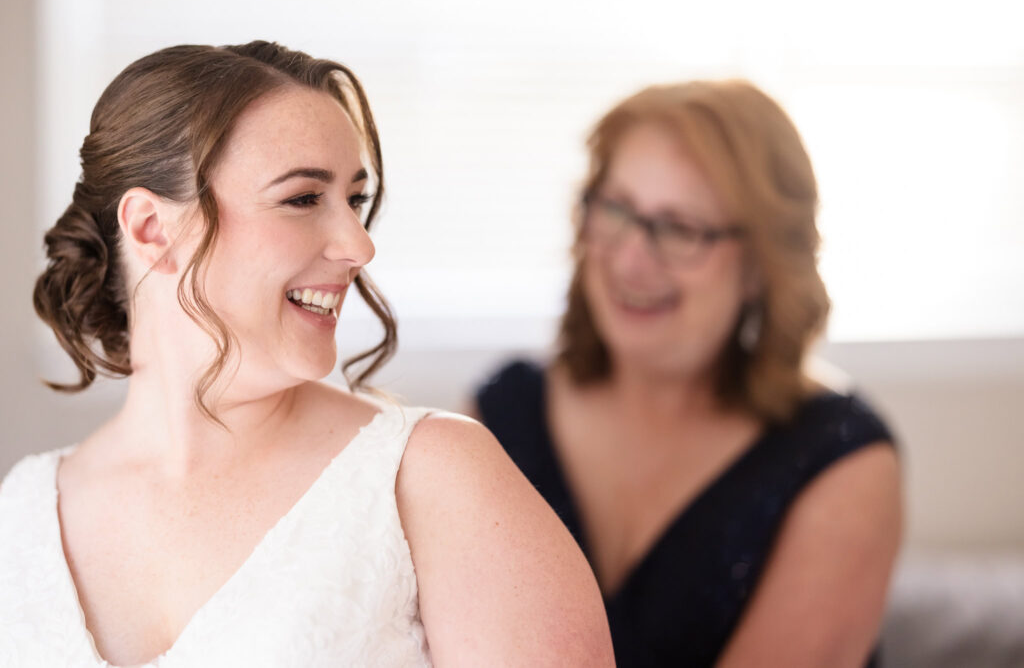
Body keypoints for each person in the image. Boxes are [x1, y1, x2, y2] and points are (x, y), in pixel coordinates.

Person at [0, 41, 614, 667]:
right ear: (154, 230)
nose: (358, 246)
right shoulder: (21, 517)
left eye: (355, 201)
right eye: (302, 198)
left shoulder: (433, 480)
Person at [474, 80, 902, 667]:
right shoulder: (499, 416)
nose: (630, 260)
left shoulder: (844, 460)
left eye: (681, 229)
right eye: (617, 209)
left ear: (761, 265)